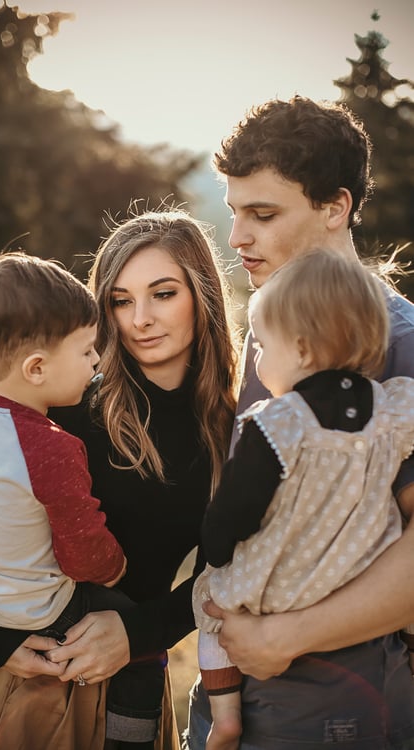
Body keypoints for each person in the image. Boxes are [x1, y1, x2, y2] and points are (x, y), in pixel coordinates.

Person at [0, 208, 240, 750]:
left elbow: (225, 578)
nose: (140, 319)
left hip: (136, 680)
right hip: (30, 677)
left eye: (163, 294)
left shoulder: (232, 428)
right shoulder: (64, 404)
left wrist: (138, 634)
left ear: (201, 294)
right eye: (120, 299)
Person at [186, 95, 414, 750]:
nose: (237, 238)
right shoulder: (271, 330)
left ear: (335, 207)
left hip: (342, 704)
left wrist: (285, 637)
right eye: (233, 213)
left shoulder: (398, 343)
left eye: (263, 214)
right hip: (238, 701)